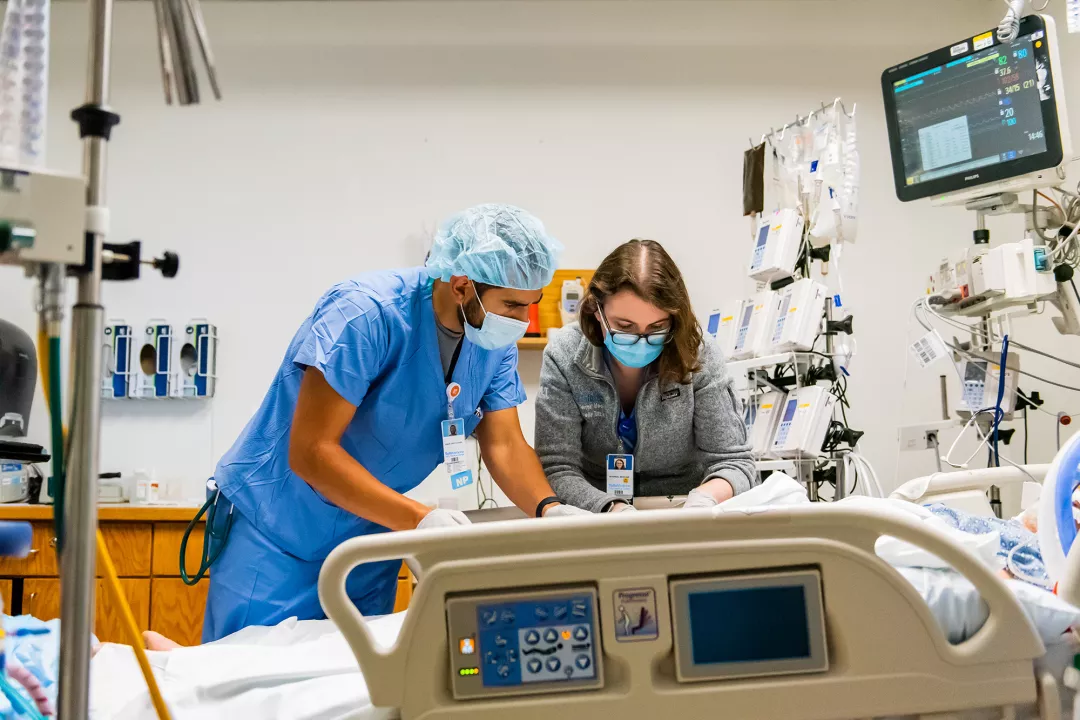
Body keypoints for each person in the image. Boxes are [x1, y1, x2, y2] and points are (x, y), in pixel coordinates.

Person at [203, 204, 589, 642]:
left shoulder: (492, 343)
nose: (523, 320)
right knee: (250, 682)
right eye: (513, 305)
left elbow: (504, 445)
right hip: (278, 534)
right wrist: (421, 519)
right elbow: (312, 452)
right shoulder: (365, 315)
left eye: (531, 305)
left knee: (361, 690)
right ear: (462, 285)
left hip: (370, 542)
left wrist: (548, 509)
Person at [535, 239, 756, 513]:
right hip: (595, 512)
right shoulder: (565, 354)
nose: (641, 341)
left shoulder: (698, 353)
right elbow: (557, 467)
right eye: (624, 327)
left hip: (681, 504)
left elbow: (735, 462)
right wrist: (610, 509)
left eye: (657, 328)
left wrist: (705, 499)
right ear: (596, 311)